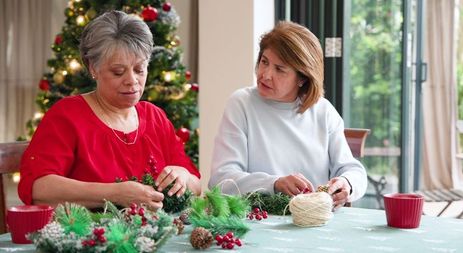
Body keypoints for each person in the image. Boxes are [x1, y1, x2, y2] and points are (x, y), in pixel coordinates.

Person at [18, 10, 201, 210]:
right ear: (92, 68)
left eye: (140, 69)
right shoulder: (67, 115)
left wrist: (182, 176)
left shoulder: (154, 116)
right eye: (118, 71)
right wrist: (114, 194)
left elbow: (196, 184)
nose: (132, 81)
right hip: (88, 237)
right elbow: (38, 188)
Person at [208, 21, 367, 209]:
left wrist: (346, 184)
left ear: (302, 78)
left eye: (280, 69)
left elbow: (352, 170)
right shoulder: (241, 103)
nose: (265, 74)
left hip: (315, 222)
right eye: (264, 62)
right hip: (260, 222)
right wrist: (274, 184)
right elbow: (221, 180)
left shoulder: (323, 111)